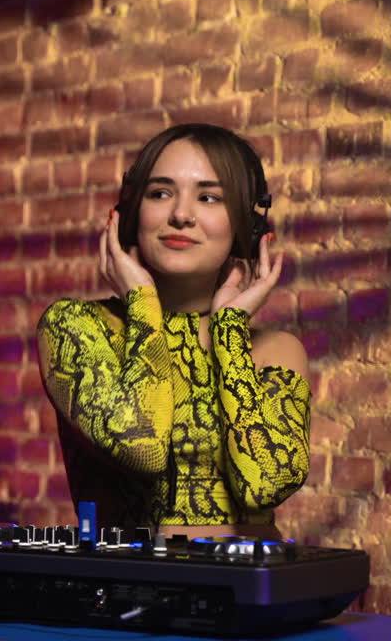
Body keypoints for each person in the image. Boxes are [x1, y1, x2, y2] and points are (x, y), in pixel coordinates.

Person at [35, 123, 310, 542]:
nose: (181, 215)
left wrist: (230, 334)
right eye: (160, 193)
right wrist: (142, 301)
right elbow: (141, 446)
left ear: (246, 226)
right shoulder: (77, 327)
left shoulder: (276, 349)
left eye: (208, 197)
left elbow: (263, 486)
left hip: (250, 596)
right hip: (131, 592)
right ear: (128, 215)